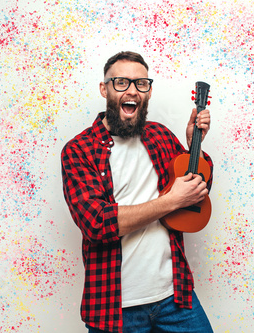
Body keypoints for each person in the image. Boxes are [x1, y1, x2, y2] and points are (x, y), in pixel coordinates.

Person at [61, 51, 214, 333]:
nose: (132, 90)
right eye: (121, 82)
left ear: (149, 91)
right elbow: (96, 223)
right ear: (104, 88)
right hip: (115, 309)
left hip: (176, 298)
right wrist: (170, 201)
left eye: (140, 84)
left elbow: (196, 194)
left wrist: (194, 148)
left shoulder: (161, 136)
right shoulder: (78, 150)